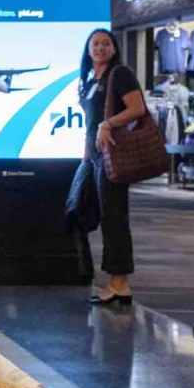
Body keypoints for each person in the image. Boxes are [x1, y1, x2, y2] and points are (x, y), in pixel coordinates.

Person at [66, 27, 146, 307]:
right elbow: (90, 124)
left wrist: (108, 124)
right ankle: (102, 275)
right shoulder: (90, 78)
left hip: (113, 155)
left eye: (106, 43)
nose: (100, 48)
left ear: (114, 48)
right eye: (95, 44)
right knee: (81, 211)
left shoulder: (119, 74)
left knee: (114, 217)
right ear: (88, 50)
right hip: (93, 157)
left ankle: (119, 283)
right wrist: (85, 157)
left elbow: (137, 109)